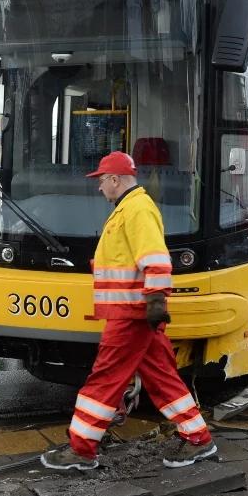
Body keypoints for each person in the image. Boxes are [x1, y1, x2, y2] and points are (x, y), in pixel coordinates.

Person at [41, 151, 216, 471]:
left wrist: (155, 300)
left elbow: (156, 259)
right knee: (163, 378)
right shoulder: (131, 208)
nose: (99, 188)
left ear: (114, 179)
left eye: (101, 181)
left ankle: (81, 449)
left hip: (131, 315)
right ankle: (198, 438)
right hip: (135, 312)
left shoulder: (136, 209)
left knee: (105, 377)